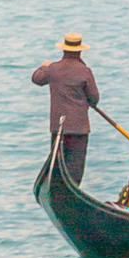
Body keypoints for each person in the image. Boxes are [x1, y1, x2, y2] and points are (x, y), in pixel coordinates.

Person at [31, 33, 99, 184]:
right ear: (80, 51)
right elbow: (94, 99)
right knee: (75, 169)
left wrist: (44, 66)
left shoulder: (53, 69)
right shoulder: (85, 71)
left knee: (57, 165)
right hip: (79, 128)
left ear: (64, 49)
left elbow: (36, 78)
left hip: (58, 127)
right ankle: (72, 188)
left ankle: (57, 188)